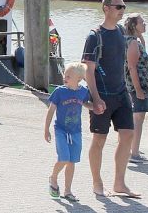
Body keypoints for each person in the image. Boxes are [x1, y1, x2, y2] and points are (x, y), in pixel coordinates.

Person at [82, 0, 138, 198]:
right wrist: (95, 98)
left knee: (128, 135)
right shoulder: (94, 35)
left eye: (123, 6)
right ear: (106, 8)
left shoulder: (121, 31)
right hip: (102, 94)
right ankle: (97, 183)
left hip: (121, 92)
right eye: (118, 6)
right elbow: (88, 70)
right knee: (99, 139)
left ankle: (119, 184)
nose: (122, 10)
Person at [44, 62, 92, 202]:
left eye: (69, 76)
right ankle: (53, 177)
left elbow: (85, 103)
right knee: (64, 158)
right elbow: (51, 110)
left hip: (76, 132)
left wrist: (95, 107)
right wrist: (46, 129)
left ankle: (68, 191)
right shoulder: (60, 91)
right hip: (61, 130)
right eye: (65, 75)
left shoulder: (83, 91)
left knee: (72, 161)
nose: (65, 77)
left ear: (78, 79)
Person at [123, 13, 148, 163]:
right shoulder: (133, 43)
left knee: (135, 117)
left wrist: (141, 37)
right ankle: (134, 154)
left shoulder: (131, 40)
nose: (145, 24)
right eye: (142, 22)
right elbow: (132, 67)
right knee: (138, 118)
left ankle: (132, 147)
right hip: (136, 85)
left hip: (132, 85)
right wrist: (139, 90)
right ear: (134, 26)